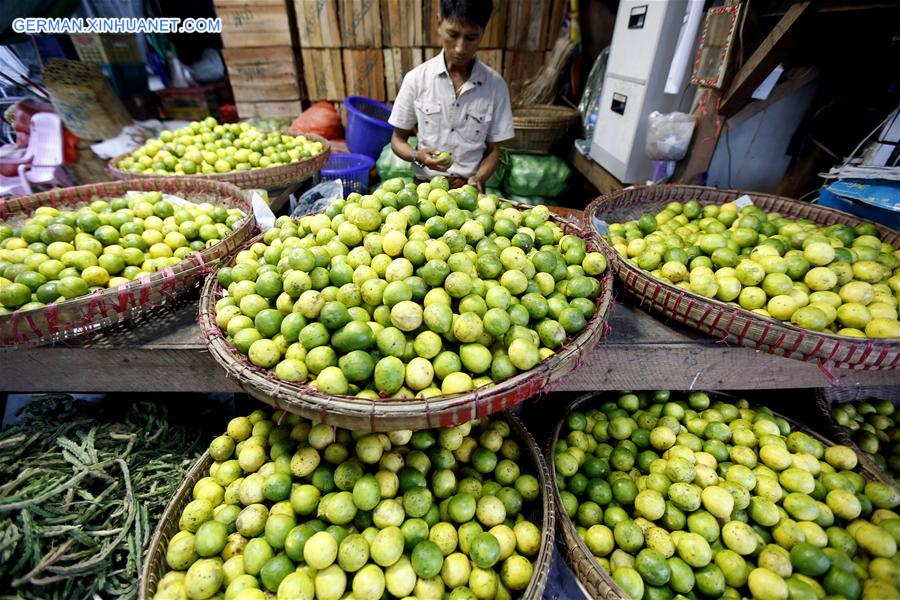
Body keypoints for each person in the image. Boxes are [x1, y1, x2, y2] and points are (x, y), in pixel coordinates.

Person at [387, 0, 514, 192]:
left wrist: (479, 177)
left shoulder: (495, 86)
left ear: (483, 32)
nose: (460, 48)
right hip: (424, 191)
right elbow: (397, 140)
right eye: (453, 35)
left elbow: (494, 151)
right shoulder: (416, 79)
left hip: (468, 192)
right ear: (439, 24)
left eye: (471, 38)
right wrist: (418, 156)